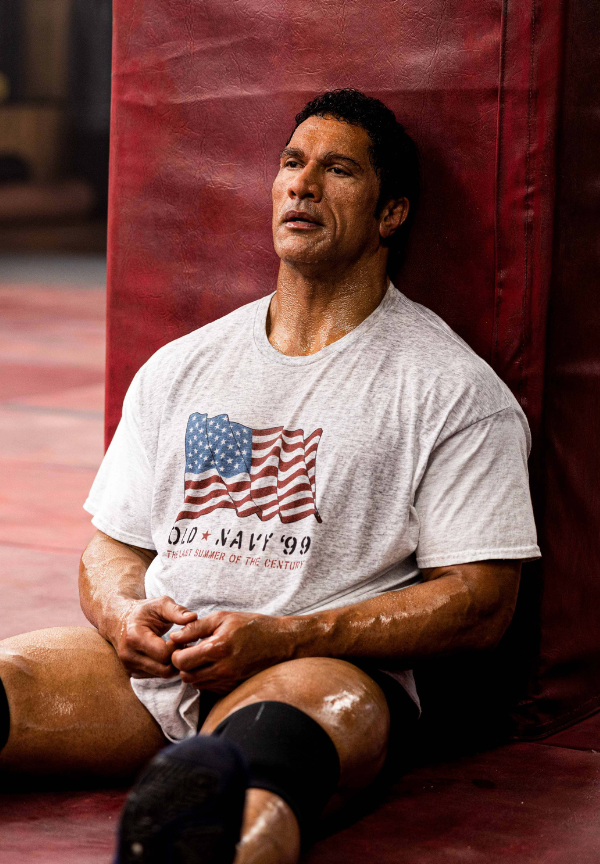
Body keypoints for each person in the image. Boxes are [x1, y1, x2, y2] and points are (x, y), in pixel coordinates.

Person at [0, 89, 540, 864]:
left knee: (252, 774)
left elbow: (483, 601)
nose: (303, 184)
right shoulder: (185, 365)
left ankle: (206, 836)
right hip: (160, 669)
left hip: (313, 671)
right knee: (8, 680)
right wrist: (124, 616)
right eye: (292, 163)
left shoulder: (449, 387)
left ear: (391, 214)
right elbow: (114, 545)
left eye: (338, 170)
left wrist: (288, 637)